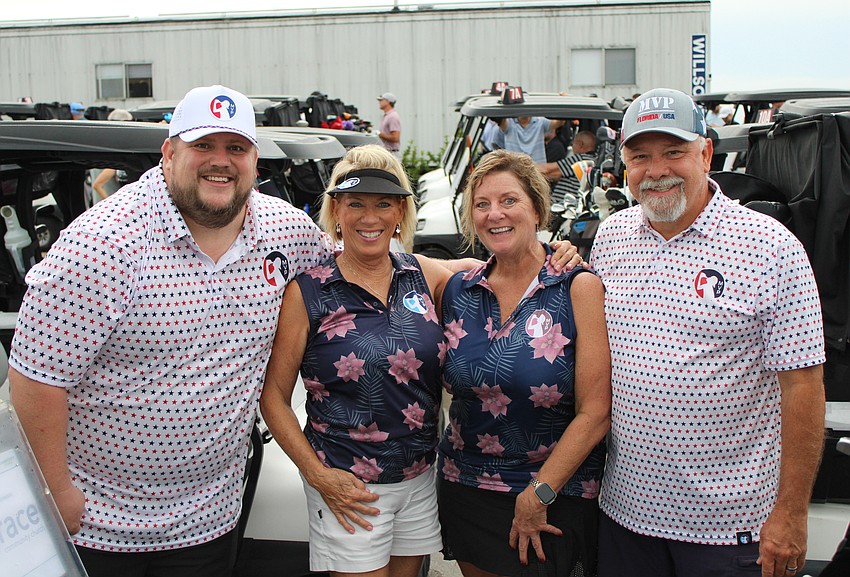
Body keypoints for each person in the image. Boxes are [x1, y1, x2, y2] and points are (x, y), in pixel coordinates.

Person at [8, 84, 334, 577]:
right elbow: (36, 378)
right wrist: (57, 490)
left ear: (254, 160)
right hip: (98, 524)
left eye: (235, 148)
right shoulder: (102, 244)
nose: (219, 161)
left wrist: (458, 274)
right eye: (202, 145)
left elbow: (351, 271)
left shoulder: (286, 231)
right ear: (169, 153)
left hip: (210, 519)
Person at [591, 88, 826, 577]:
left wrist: (791, 514)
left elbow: (804, 387)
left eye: (673, 152)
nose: (656, 171)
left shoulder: (770, 246)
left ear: (706, 153)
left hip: (731, 529)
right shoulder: (611, 238)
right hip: (626, 516)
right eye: (640, 157)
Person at [259, 145, 472, 577]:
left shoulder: (425, 275)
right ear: (336, 210)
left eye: (383, 204)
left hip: (417, 480)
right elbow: (274, 400)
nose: (369, 218)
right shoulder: (308, 292)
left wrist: (557, 257)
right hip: (346, 486)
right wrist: (319, 477)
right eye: (355, 203)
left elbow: (503, 276)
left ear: (400, 214)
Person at [437, 149, 612, 577]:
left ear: (537, 207)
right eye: (482, 204)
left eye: (509, 200)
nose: (495, 214)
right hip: (466, 488)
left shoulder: (577, 286)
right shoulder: (459, 289)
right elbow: (381, 261)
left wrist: (539, 493)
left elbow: (596, 412)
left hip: (552, 495)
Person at [538, 130, 598, 206]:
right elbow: (555, 175)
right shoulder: (594, 160)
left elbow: (547, 170)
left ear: (580, 144)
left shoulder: (580, 159)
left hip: (562, 205)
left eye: (573, 143)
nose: (572, 146)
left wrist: (524, 166)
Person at [90, 108, 134, 204]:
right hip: (115, 202)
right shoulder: (117, 150)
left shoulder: (102, 144)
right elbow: (97, 184)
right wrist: (112, 205)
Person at [498, 116, 566, 163]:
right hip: (514, 170)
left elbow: (559, 122)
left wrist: (564, 100)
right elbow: (499, 119)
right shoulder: (508, 122)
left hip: (537, 171)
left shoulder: (540, 121)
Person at [377, 92, 402, 159]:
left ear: (388, 101)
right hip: (388, 153)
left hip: (392, 154)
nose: (379, 102)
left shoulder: (393, 116)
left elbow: (395, 138)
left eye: (381, 100)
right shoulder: (387, 116)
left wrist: (379, 134)